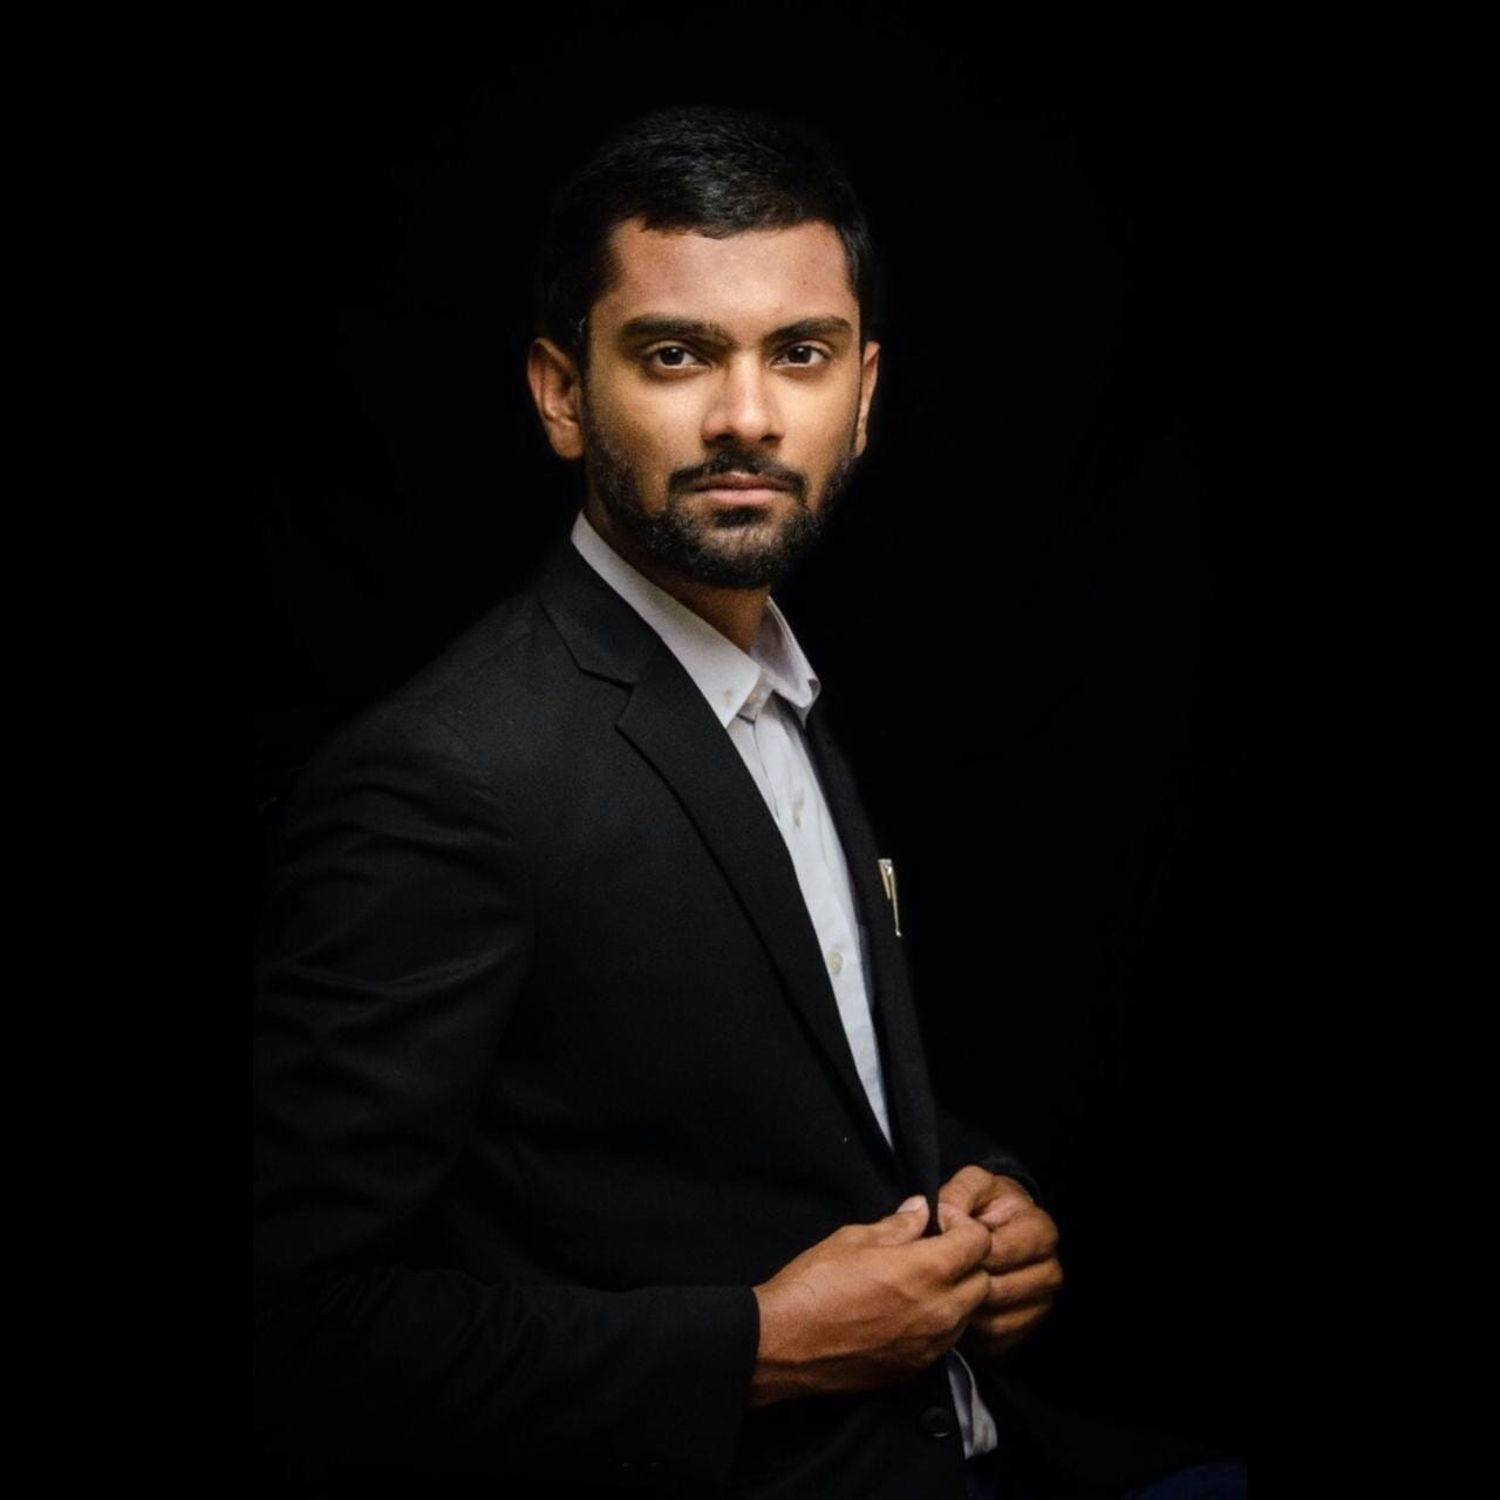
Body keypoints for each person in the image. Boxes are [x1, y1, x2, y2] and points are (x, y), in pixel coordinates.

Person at [254, 105, 1240, 1500]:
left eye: (801, 353)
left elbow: (752, 1104)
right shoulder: (441, 780)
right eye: (676, 354)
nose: (747, 418)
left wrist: (981, 1195)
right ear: (560, 393)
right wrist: (759, 1347)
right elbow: (298, 1332)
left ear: (866, 392)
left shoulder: (773, 681)